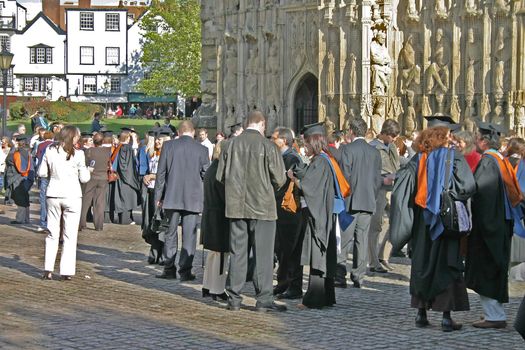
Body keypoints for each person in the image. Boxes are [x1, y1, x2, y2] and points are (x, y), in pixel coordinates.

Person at [396, 122, 476, 332]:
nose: (451, 138)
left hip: (422, 221)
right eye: (449, 134)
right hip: (444, 220)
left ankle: (421, 313)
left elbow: (404, 186)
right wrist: (452, 197)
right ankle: (446, 318)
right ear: (443, 135)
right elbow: (469, 185)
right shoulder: (453, 156)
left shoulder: (418, 157)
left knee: (423, 264)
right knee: (445, 264)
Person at [216, 111, 286, 311]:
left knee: (238, 252)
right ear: (262, 124)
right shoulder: (268, 146)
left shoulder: (230, 145)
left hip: (237, 206)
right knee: (263, 254)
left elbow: (220, 177)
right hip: (263, 207)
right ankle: (263, 299)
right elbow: (280, 179)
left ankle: (234, 298)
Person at [466, 122, 523, 329]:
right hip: (501, 224)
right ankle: (493, 313)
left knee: (488, 268)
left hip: (490, 226)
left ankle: (494, 316)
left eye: (476, 136)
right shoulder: (500, 160)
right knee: (495, 268)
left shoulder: (489, 162)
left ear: (483, 140)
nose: (474, 140)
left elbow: (482, 192)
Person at [288, 124, 339, 308]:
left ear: (315, 142)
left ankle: (313, 299)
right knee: (323, 254)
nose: (305, 148)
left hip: (318, 215)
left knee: (318, 254)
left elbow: (310, 188)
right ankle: (328, 296)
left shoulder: (320, 161)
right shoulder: (326, 159)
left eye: (306, 144)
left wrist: (294, 179)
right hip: (324, 213)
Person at [154, 121, 210, 280]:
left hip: (172, 196)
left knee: (170, 233)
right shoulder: (202, 149)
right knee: (189, 235)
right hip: (193, 198)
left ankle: (169, 268)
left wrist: (158, 197)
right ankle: (185, 270)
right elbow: (206, 174)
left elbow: (161, 175)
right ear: (193, 132)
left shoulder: (169, 146)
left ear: (178, 132)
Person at [39, 125, 91, 280]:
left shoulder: (50, 150)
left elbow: (42, 172)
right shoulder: (79, 154)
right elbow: (84, 178)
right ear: (73, 137)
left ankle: (48, 268)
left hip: (54, 193)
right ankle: (66, 271)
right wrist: (87, 170)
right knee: (70, 235)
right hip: (72, 195)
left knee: (52, 233)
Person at [336, 118, 382, 288]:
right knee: (361, 240)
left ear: (351, 131)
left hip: (351, 202)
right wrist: (372, 195)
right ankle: (358, 276)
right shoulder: (374, 152)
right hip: (368, 201)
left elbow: (345, 176)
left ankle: (340, 276)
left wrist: (345, 197)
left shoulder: (348, 149)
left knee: (345, 239)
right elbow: (378, 179)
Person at [271, 127, 305, 300]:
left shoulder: (292, 158)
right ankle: (283, 282)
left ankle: (294, 285)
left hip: (290, 210)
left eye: (274, 137)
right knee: (282, 248)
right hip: (280, 209)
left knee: (291, 249)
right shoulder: (282, 157)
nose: (271, 139)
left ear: (283, 140)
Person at [368, 119, 401, 273]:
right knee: (376, 226)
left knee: (395, 223)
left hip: (393, 188)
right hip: (379, 190)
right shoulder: (373, 148)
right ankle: (373, 261)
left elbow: (398, 164)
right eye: (393, 136)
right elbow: (369, 172)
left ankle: (383, 256)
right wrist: (383, 179)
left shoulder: (392, 146)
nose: (394, 139)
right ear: (385, 134)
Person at [201, 141, 229, 301]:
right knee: (220, 254)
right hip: (219, 217)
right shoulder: (220, 171)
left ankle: (208, 284)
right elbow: (225, 196)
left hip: (210, 214)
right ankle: (217, 288)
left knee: (213, 254)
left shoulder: (213, 167)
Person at [141, 129, 170, 264]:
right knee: (151, 223)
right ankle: (154, 252)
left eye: (160, 139)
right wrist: (146, 177)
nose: (157, 141)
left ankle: (163, 254)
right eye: (157, 139)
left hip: (163, 191)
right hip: (151, 190)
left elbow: (167, 174)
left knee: (161, 224)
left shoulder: (169, 154)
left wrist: (153, 175)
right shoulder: (152, 153)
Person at [80, 132, 112, 232]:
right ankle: (99, 225)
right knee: (100, 201)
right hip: (103, 177)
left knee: (86, 200)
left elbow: (85, 163)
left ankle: (81, 223)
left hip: (91, 177)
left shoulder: (89, 151)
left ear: (93, 141)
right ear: (103, 141)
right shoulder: (107, 151)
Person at [111, 128, 141, 225]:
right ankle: (126, 220)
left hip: (120, 177)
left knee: (122, 198)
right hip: (128, 178)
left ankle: (123, 219)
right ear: (128, 138)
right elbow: (134, 159)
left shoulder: (119, 147)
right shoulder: (127, 148)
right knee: (127, 199)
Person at [4, 135, 35, 224]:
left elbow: (10, 160)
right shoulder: (26, 152)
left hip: (19, 178)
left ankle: (20, 219)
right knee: (25, 198)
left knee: (20, 198)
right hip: (26, 177)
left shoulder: (19, 153)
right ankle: (26, 218)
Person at [35, 131, 55, 232]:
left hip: (45, 177)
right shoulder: (55, 147)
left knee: (44, 201)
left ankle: (43, 223)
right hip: (54, 177)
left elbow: (38, 160)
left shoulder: (42, 146)